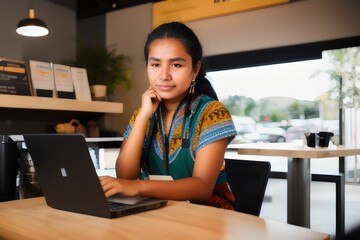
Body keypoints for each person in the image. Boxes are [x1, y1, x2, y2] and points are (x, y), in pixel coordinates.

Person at [99, 21, 237, 210]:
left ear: (195, 69)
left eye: (176, 65)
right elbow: (125, 176)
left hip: (207, 216)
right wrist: (142, 118)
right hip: (157, 212)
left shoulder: (213, 112)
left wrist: (137, 186)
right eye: (155, 64)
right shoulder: (144, 112)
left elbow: (202, 187)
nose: (164, 75)